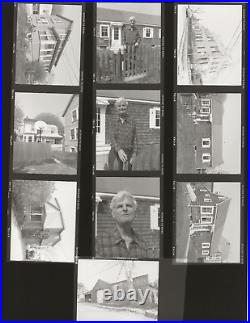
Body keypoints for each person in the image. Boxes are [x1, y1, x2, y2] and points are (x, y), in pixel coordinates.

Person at [95, 191, 151, 258]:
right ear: (113, 214)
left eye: (128, 205)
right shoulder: (99, 242)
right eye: (120, 206)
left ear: (134, 212)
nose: (125, 209)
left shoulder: (143, 244)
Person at [108, 97, 137, 171]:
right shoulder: (113, 121)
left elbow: (135, 138)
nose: (121, 107)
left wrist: (134, 154)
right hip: (115, 152)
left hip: (129, 152)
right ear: (116, 108)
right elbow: (112, 137)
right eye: (119, 106)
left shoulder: (132, 121)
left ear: (127, 107)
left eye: (123, 105)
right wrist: (119, 150)